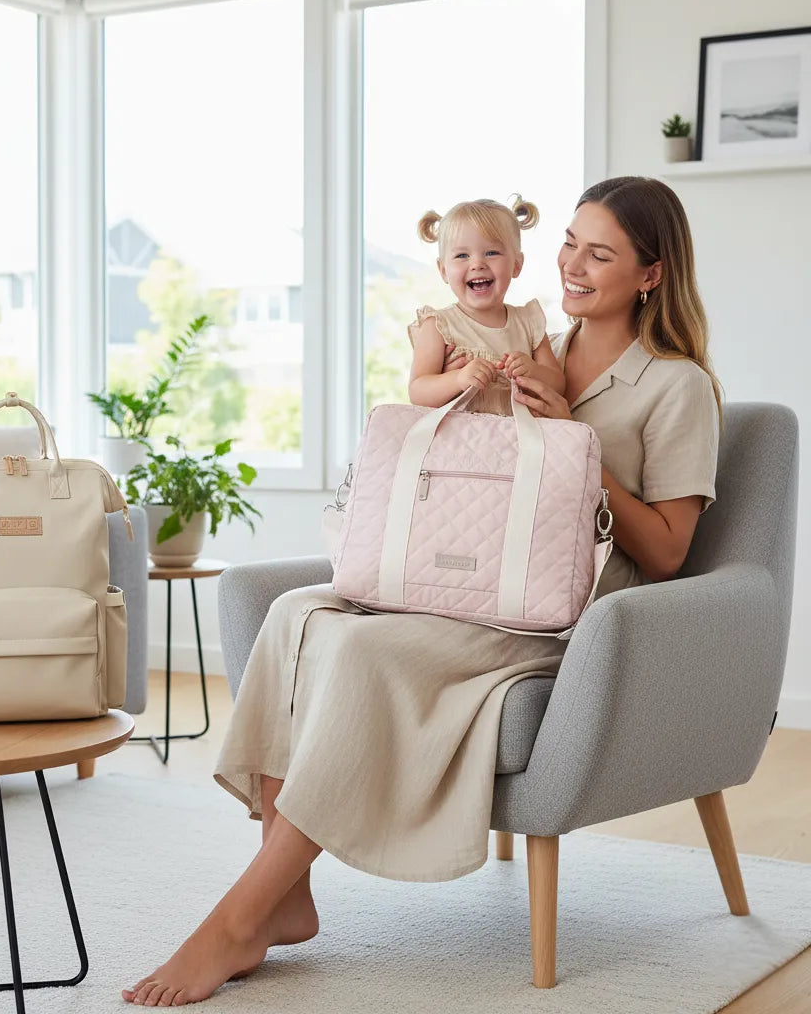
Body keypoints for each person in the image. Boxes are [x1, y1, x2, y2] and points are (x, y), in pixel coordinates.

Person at [122, 176, 722, 1007]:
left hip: (563, 606)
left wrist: (573, 441)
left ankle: (239, 917)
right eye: (570, 242)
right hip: (468, 572)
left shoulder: (676, 385)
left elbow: (666, 552)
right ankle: (285, 892)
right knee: (297, 613)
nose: (574, 264)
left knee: (366, 648)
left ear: (650, 274)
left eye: (601, 252)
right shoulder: (529, 336)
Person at [407, 196, 565, 413]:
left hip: (521, 440)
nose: (477, 264)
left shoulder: (529, 322)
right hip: (458, 441)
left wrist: (533, 370)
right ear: (443, 270)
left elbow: (559, 384)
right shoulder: (439, 326)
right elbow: (418, 391)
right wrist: (458, 379)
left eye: (491, 253)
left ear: (517, 265)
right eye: (462, 255)